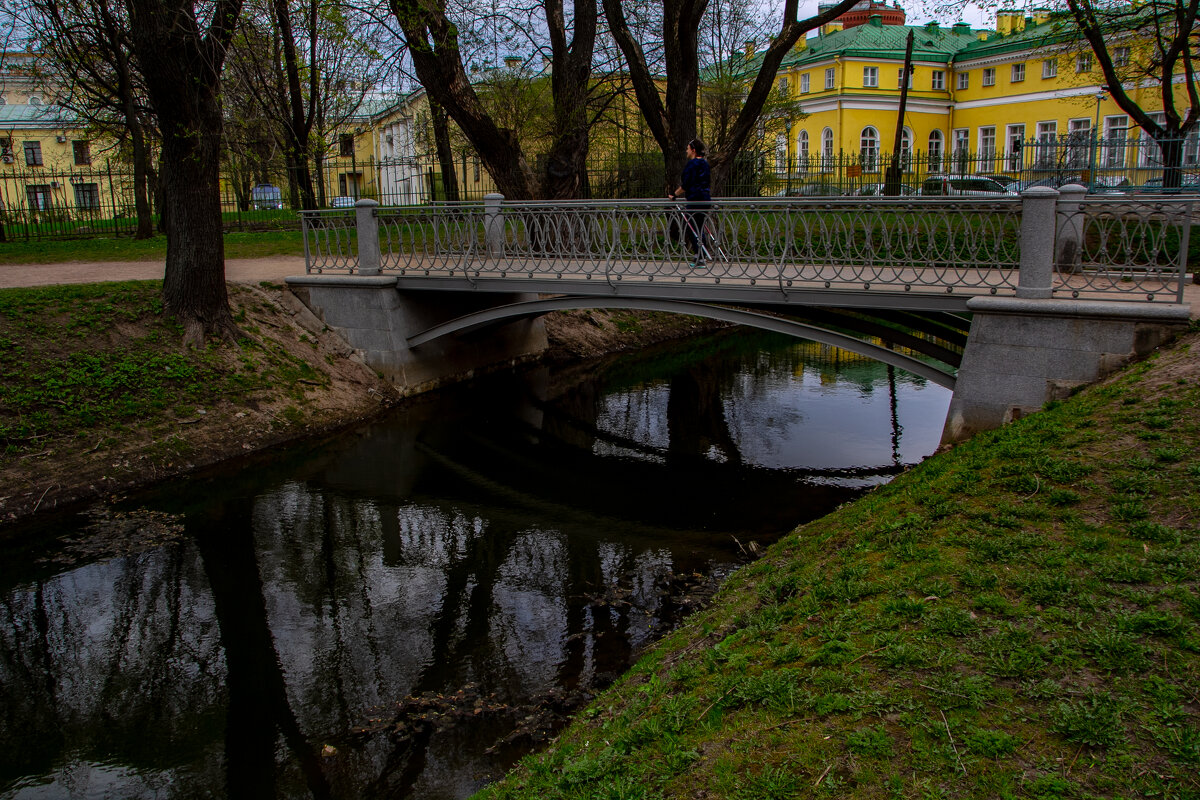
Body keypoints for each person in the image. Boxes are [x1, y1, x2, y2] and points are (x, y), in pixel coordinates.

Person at [670, 139, 711, 267]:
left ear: (693, 150)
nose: (686, 151)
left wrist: (674, 194)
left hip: (695, 199)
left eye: (688, 148)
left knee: (692, 228)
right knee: (699, 227)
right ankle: (700, 254)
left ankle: (700, 255)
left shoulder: (692, 165)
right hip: (705, 199)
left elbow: (686, 184)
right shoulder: (704, 164)